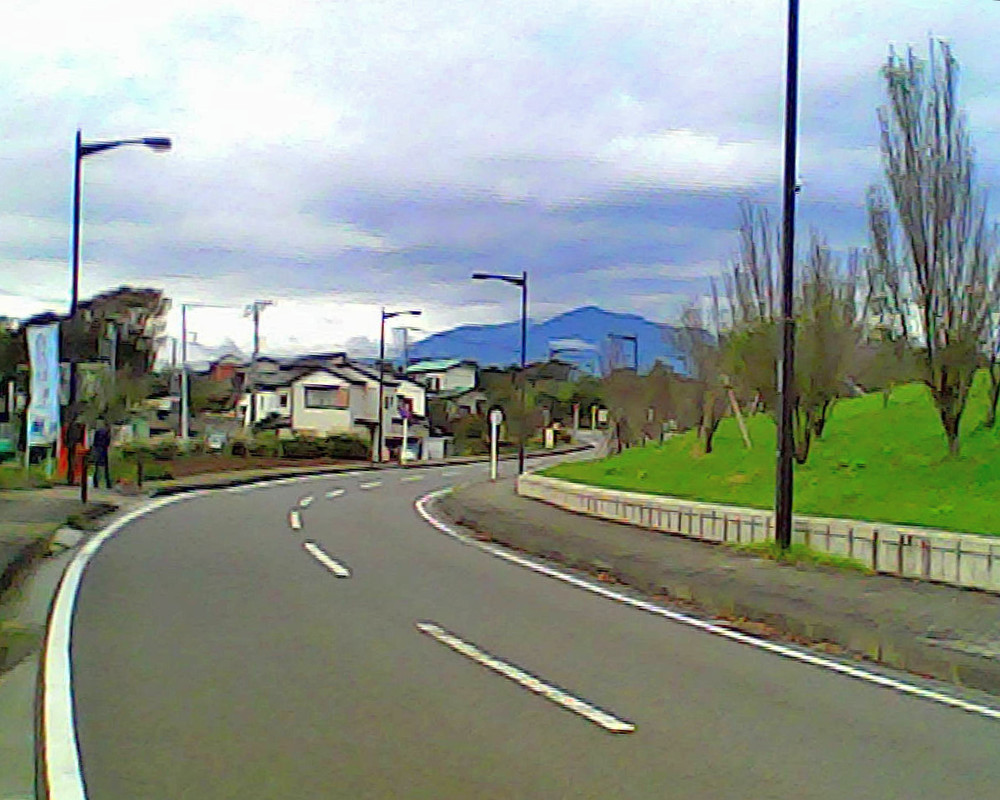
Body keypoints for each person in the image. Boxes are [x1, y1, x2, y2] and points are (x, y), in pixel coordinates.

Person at [91, 420, 112, 490]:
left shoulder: (98, 432)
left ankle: (96, 483)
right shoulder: (107, 432)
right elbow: (108, 442)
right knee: (105, 468)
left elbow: (94, 442)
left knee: (97, 467)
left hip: (98, 449)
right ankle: (108, 483)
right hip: (103, 450)